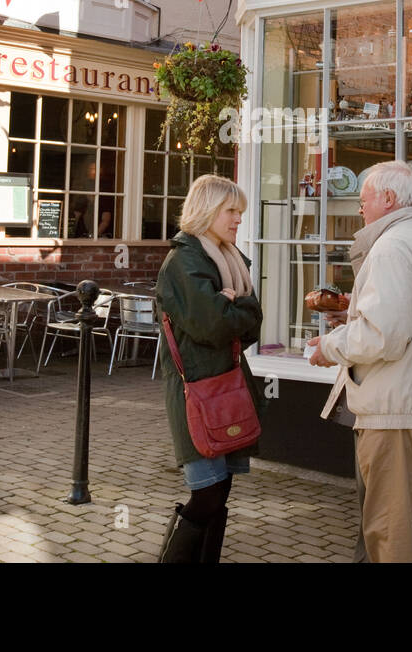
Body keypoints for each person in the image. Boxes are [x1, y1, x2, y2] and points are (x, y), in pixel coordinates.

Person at [308, 161, 412, 562]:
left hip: (400, 415)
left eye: (364, 199)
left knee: (392, 534)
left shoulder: (390, 247)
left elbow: (383, 336)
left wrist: (328, 347)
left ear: (388, 199)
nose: (360, 209)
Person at [155, 174, 263, 562]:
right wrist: (238, 308)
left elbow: (249, 327)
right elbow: (213, 325)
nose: (238, 219)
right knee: (206, 494)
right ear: (207, 211)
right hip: (197, 395)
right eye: (231, 211)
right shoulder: (184, 261)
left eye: (239, 211)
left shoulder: (227, 258)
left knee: (221, 493)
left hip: (226, 390)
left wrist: (235, 305)